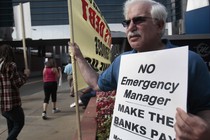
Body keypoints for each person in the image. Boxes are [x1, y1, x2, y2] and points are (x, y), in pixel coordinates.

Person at [69, 0, 210, 139]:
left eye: (138, 20)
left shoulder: (190, 61)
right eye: (127, 22)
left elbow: (205, 108)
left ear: (160, 25)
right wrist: (79, 57)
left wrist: (205, 130)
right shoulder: (121, 61)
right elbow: (96, 83)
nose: (130, 27)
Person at [0, 44, 30, 140]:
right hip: (12, 103)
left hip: (2, 105)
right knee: (19, 123)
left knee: (11, 126)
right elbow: (18, 83)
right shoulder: (11, 65)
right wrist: (26, 75)